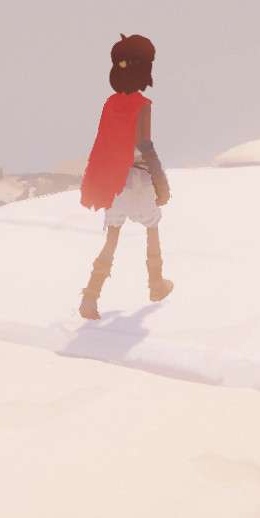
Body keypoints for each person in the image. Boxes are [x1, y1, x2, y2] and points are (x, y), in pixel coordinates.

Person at [77, 33, 174, 320]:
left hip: (116, 183)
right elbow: (145, 145)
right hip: (140, 180)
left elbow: (102, 143)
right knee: (152, 228)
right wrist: (161, 183)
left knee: (112, 237)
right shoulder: (143, 104)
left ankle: (90, 297)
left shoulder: (110, 103)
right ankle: (156, 284)